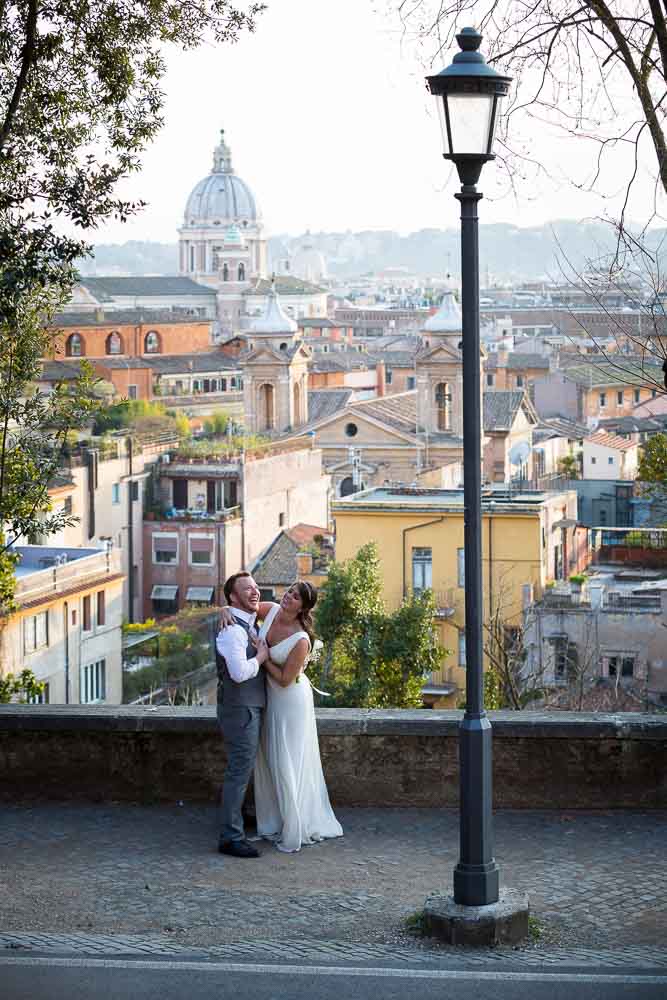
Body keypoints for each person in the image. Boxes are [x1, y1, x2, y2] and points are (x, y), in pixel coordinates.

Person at [220, 582, 343, 853]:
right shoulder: (272, 610)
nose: (288, 598)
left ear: (303, 607)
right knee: (269, 758)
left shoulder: (301, 640)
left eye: (295, 596)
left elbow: (287, 680)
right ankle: (272, 817)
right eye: (288, 592)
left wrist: (263, 658)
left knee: (286, 757)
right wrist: (224, 609)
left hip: (290, 701)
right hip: (266, 699)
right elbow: (245, 609)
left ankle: (294, 820)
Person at [216, 571, 271, 859]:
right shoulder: (232, 630)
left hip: (249, 707)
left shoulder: (246, 621)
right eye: (246, 589)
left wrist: (223, 607)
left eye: (256, 587)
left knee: (245, 769)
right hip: (240, 709)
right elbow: (238, 674)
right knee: (238, 772)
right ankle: (230, 837)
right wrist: (261, 658)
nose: (254, 592)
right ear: (233, 597)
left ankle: (237, 818)